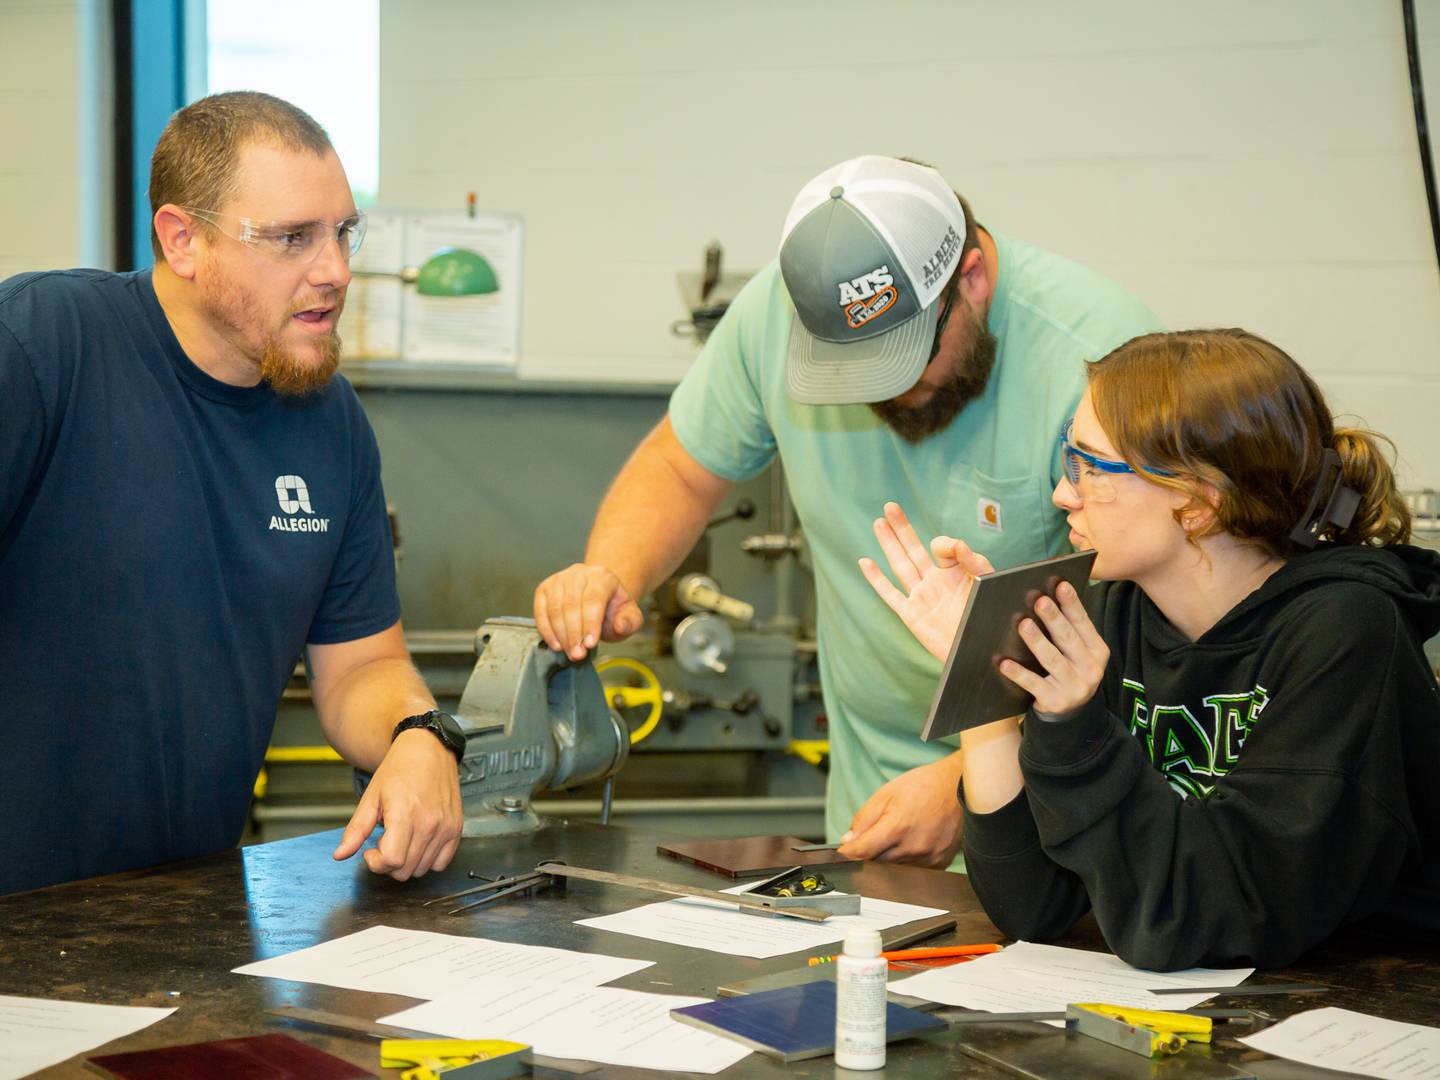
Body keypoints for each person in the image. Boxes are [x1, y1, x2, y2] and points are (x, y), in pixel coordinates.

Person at [533, 155, 1160, 867]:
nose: (884, 392)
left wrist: (968, 779)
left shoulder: (1098, 359)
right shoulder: (784, 310)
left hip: (1054, 805)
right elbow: (680, 467)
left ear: (973, 280)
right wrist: (609, 574)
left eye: (904, 356)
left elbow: (1154, 641)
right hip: (875, 805)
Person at [0, 91, 463, 896]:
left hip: (182, 917)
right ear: (184, 240)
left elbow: (360, 666)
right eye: (292, 238)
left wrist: (418, 732)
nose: (336, 272)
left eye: (343, 232)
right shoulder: (41, 348)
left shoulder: (330, 423)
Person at [862, 328, 1440, 969]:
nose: (1063, 493)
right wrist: (983, 673)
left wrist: (1076, 733)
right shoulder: (1116, 612)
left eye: (1089, 468)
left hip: (1368, 1003)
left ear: (1195, 504)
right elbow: (1032, 905)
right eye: (1067, 459)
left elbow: (1214, 920)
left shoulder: (1346, 632)